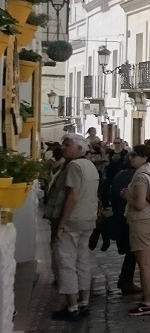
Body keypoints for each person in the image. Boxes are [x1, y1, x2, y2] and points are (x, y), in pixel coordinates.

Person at [50, 134, 101, 321]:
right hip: (88, 220)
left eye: (67, 144)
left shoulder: (74, 166)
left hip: (73, 221)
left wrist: (61, 225)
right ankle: (84, 302)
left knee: (66, 262)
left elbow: (72, 196)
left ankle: (72, 307)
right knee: (82, 261)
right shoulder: (90, 166)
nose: (63, 147)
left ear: (80, 148)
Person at [123, 144, 150, 316]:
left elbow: (139, 204)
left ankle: (147, 302)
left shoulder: (141, 176)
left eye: (134, 155)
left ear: (144, 157)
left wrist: (127, 196)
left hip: (142, 221)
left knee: (145, 264)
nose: (131, 157)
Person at [110, 165, 140, 295]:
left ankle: (125, 280)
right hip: (131, 217)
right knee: (133, 251)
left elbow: (111, 193)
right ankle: (126, 281)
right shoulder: (138, 176)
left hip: (120, 216)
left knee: (130, 251)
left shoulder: (120, 174)